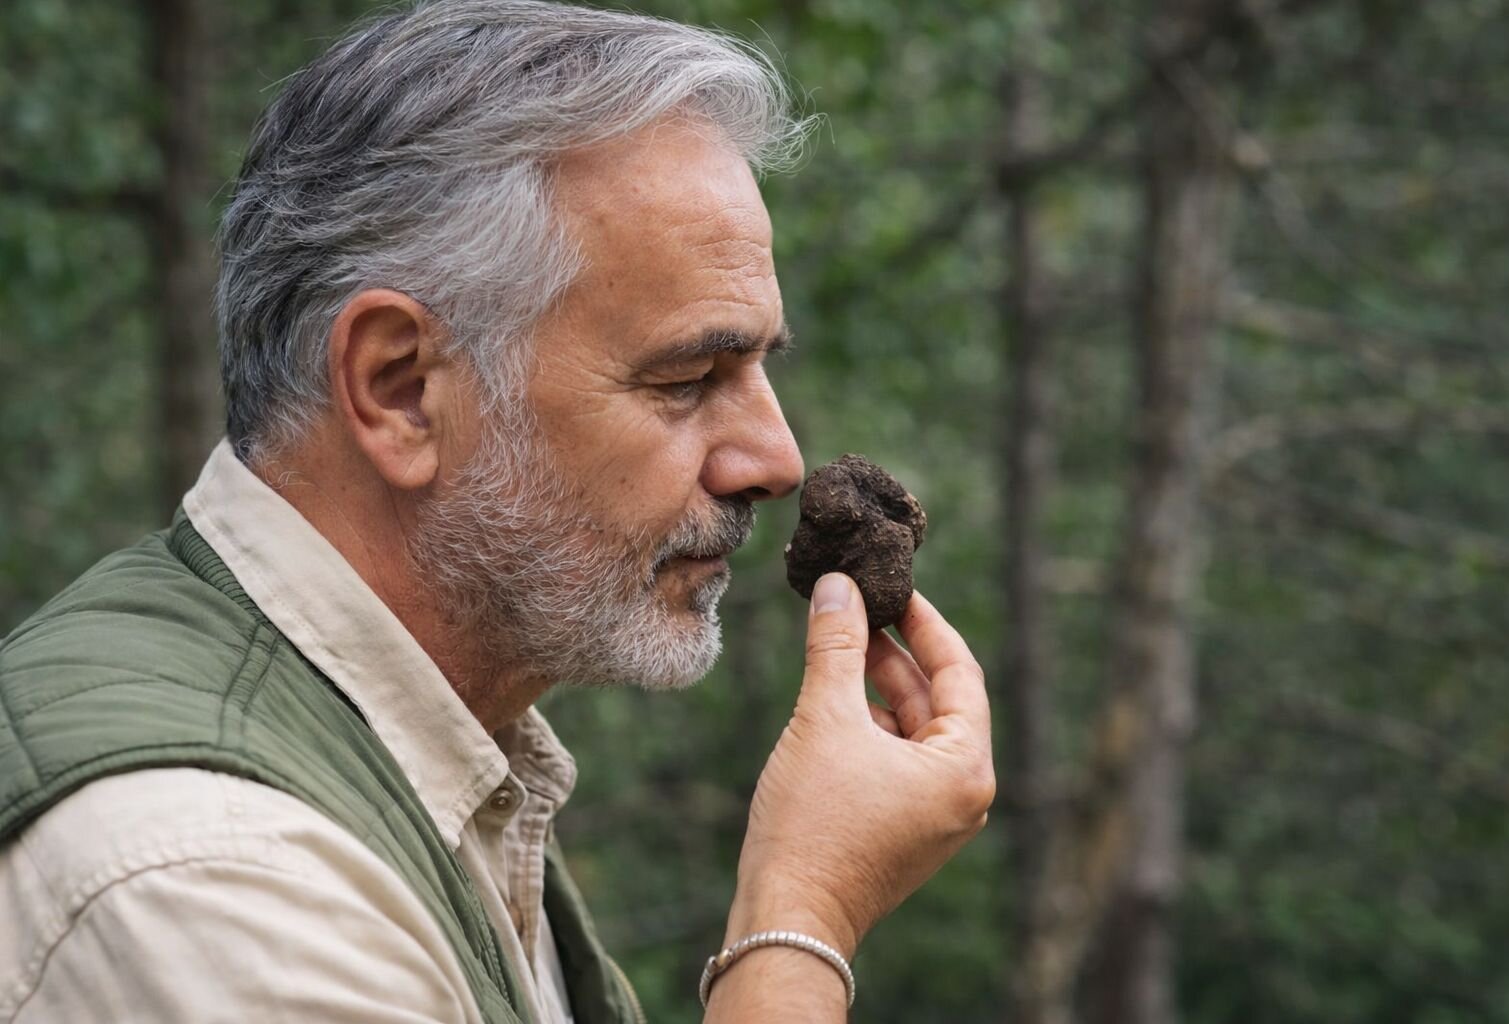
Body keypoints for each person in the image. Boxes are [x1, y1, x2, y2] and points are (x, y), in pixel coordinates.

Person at [0, 2, 994, 1021]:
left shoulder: (435, 755)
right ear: (400, 387)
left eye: (758, 366)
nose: (776, 461)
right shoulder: (204, 876)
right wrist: (802, 911)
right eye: (690, 376)